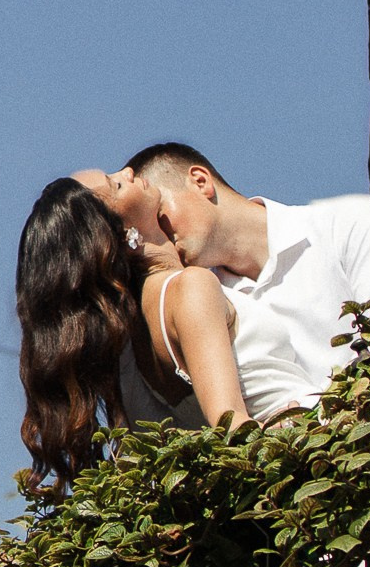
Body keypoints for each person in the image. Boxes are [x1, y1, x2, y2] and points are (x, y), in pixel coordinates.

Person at [99, 141, 370, 419]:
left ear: (200, 181)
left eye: (161, 216)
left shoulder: (352, 224)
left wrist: (327, 422)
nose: (163, 237)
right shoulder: (204, 301)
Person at [14, 173, 251, 487]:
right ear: (120, 234)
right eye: (116, 185)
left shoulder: (124, 345)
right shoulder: (190, 288)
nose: (128, 172)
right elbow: (232, 426)